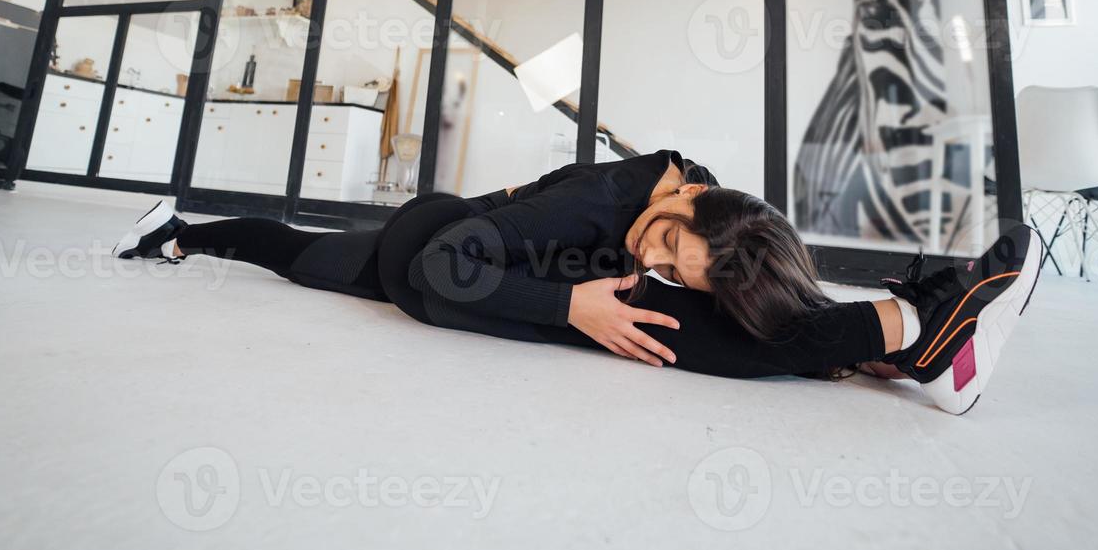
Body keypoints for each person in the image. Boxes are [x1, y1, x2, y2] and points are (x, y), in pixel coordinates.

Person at [113, 150, 1040, 415]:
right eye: (668, 248)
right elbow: (448, 264)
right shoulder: (603, 205)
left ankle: (900, 337)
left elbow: (718, 264)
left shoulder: (697, 205)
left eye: (678, 262)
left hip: (508, 265)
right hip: (430, 251)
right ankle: (177, 231)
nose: (659, 264)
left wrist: (603, 296)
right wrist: (571, 305)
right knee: (296, 250)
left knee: (695, 331)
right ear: (683, 202)